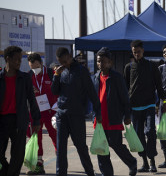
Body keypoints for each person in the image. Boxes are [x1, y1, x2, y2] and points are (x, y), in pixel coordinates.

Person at [51, 47, 101, 176]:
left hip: (77, 115)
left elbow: (91, 92)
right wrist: (56, 76)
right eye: (60, 62)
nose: (62, 64)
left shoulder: (81, 71)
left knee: (81, 147)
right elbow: (54, 92)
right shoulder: (60, 72)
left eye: (64, 61)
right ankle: (60, 173)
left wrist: (98, 112)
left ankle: (90, 172)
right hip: (62, 115)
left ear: (69, 56)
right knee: (61, 148)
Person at [123, 40, 166, 173]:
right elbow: (125, 89)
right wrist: (126, 109)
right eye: (134, 52)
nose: (136, 54)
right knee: (139, 136)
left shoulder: (151, 66)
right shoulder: (128, 68)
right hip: (134, 108)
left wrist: (163, 103)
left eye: (139, 51)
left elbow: (159, 86)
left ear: (143, 51)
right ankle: (145, 163)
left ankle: (152, 161)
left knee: (150, 132)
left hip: (149, 105)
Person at [92, 47, 137, 176]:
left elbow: (125, 98)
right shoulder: (95, 77)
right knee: (101, 150)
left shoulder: (116, 77)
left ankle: (131, 162)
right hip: (99, 120)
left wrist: (127, 115)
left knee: (116, 145)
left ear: (110, 62)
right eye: (98, 61)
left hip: (113, 118)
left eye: (103, 61)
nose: (100, 64)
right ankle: (107, 173)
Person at [0, 46, 41, 176]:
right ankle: (6, 171)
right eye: (16, 59)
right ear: (7, 59)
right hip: (2, 121)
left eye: (20, 59)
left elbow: (32, 100)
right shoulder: (0, 78)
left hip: (19, 121)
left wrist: (36, 120)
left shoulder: (24, 78)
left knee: (18, 156)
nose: (19, 62)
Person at [26, 53, 58, 175]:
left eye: (36, 66)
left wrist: (57, 108)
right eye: (31, 67)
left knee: (56, 137)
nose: (34, 70)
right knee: (35, 139)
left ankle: (61, 163)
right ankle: (39, 165)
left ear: (41, 63)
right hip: (35, 113)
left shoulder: (51, 73)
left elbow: (58, 91)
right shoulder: (29, 76)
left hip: (51, 112)